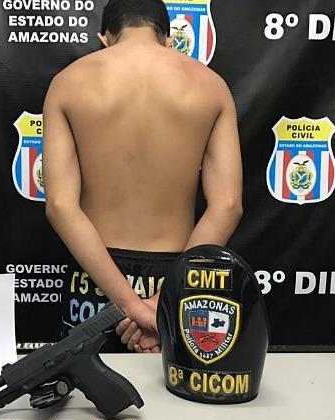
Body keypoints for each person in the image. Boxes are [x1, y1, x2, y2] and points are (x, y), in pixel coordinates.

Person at [43, 0, 242, 353]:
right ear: (167, 38)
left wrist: (130, 305)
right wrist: (164, 298)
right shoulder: (211, 86)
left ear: (104, 38)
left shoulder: (67, 83)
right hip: (179, 276)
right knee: (177, 388)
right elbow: (227, 205)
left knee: (83, 390)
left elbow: (60, 205)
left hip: (96, 276)